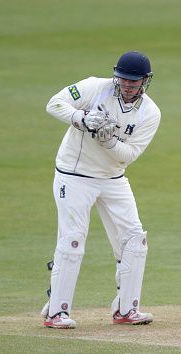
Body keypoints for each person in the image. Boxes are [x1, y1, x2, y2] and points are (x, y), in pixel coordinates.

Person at [40, 51, 161, 329]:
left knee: (135, 239)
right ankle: (56, 312)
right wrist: (81, 119)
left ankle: (126, 309)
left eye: (134, 82)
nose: (128, 86)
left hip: (113, 177)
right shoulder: (94, 86)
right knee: (73, 239)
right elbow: (54, 103)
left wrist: (107, 141)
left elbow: (127, 155)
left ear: (145, 81)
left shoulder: (150, 113)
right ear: (116, 76)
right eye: (123, 79)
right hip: (74, 174)